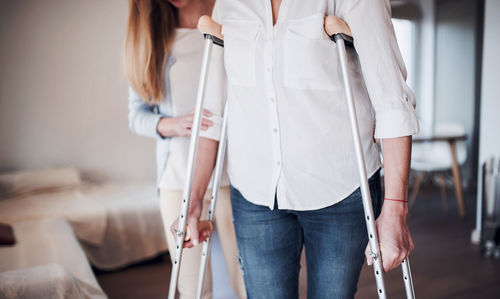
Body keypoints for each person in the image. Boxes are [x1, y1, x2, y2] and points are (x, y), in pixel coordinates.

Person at [173, 0, 420, 298]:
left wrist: (396, 210)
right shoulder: (228, 4)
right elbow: (212, 116)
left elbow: (392, 102)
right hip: (255, 193)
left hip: (340, 190)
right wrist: (195, 198)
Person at [123, 0, 246, 298]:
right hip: (177, 179)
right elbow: (136, 115)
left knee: (248, 281)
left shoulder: (234, 21)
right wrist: (173, 124)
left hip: (235, 177)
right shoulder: (155, 41)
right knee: (192, 288)